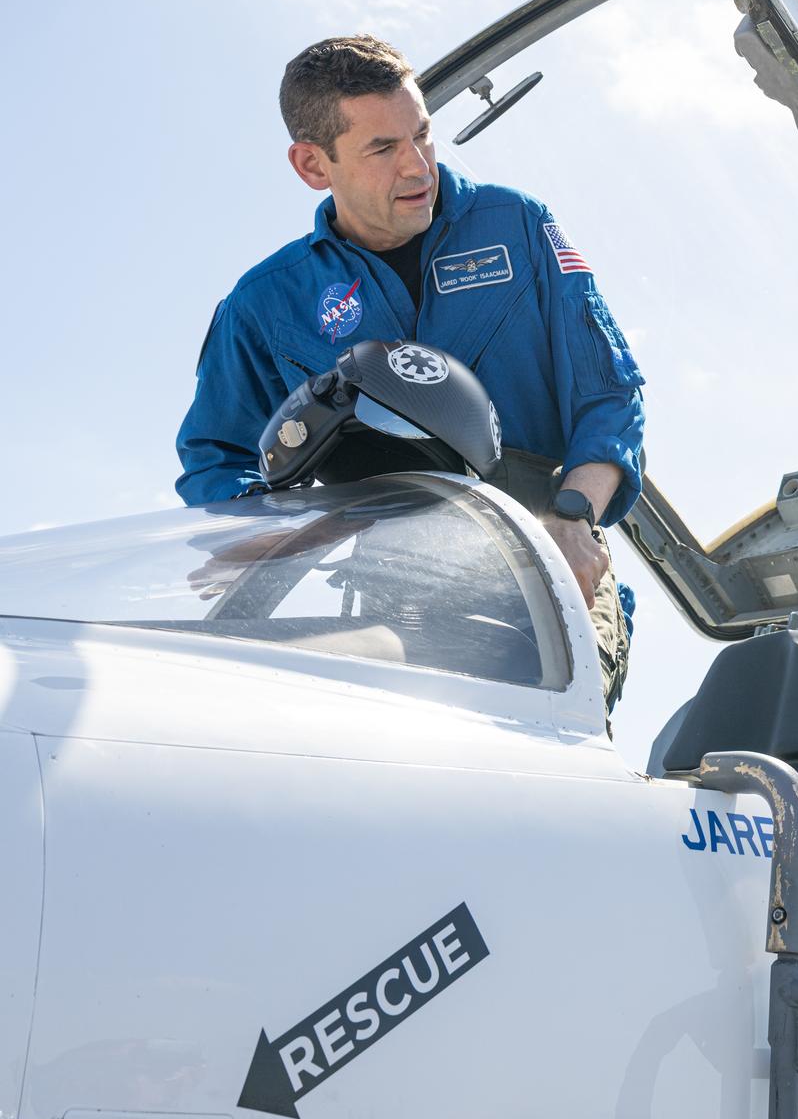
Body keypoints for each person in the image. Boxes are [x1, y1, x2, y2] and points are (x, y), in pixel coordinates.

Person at [175, 35, 644, 713]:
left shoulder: (518, 224)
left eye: (422, 134)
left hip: (551, 569)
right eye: (383, 149)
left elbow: (611, 397)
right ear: (313, 165)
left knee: (531, 759)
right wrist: (278, 536)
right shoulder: (265, 303)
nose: (418, 165)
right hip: (390, 591)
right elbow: (215, 457)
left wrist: (572, 521)